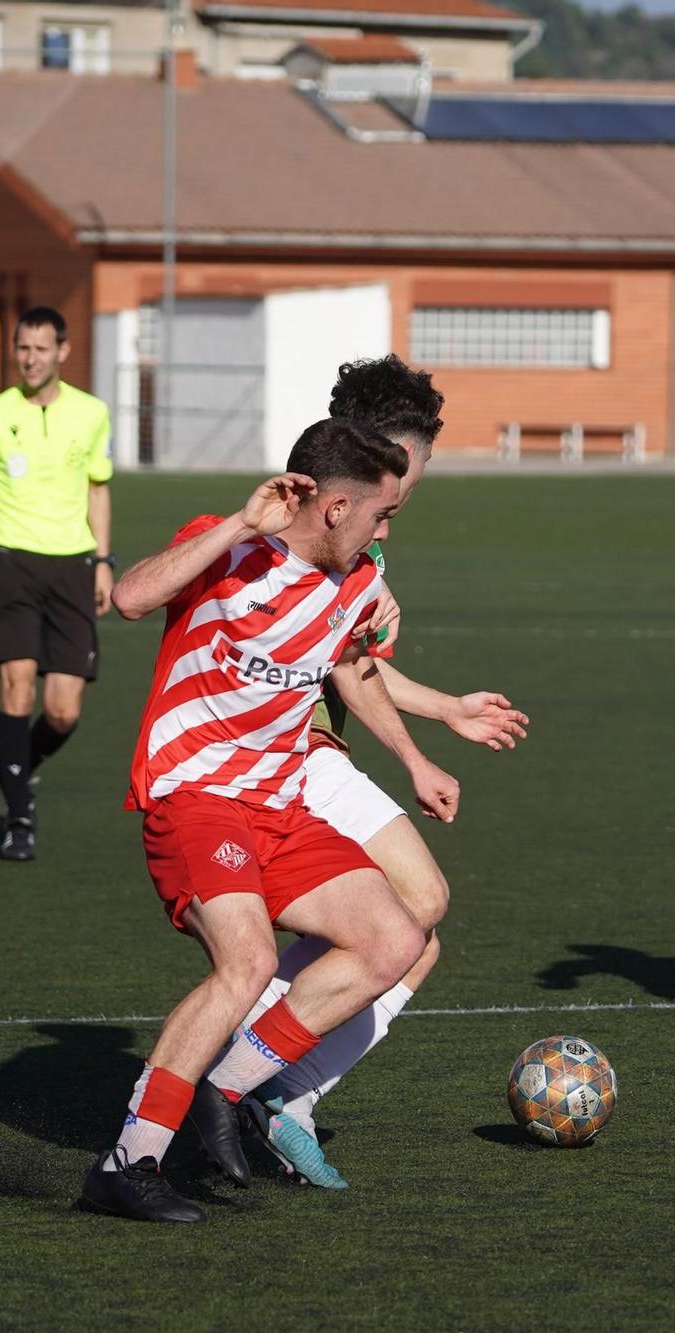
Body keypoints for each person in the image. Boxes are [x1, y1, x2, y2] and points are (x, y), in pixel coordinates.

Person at [81, 419, 458, 1223]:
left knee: (400, 937)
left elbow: (354, 670)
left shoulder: (357, 582)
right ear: (334, 507)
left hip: (280, 805)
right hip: (194, 796)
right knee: (246, 962)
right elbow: (130, 596)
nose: (386, 530)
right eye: (380, 514)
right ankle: (127, 1161)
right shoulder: (232, 551)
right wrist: (241, 524)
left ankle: (229, 1087)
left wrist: (419, 756)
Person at [229, 357, 528, 1189]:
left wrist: (444, 711)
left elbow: (354, 663)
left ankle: (282, 1094)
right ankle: (232, 1075)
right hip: (283, 751)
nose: (397, 515)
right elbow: (327, 661)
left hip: (313, 742)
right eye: (400, 490)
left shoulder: (363, 538)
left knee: (413, 944)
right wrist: (422, 739)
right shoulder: (314, 520)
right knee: (417, 907)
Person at [0, 307, 113, 862]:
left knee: (64, 710)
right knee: (16, 689)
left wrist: (104, 559)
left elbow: (98, 488)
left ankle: (19, 764)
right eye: (23, 348)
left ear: (62, 351)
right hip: (10, 564)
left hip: (72, 568)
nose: (30, 358)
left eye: (41, 349)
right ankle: (19, 817)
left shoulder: (91, 414)